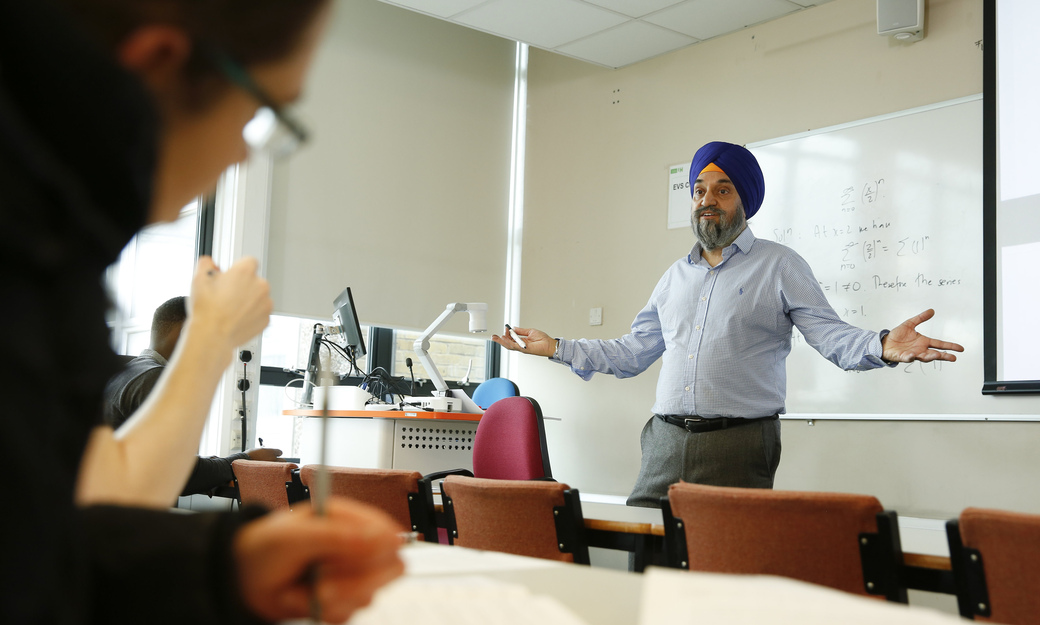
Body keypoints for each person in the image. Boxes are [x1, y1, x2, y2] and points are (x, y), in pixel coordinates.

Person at [1, 1, 403, 624]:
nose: (242, 156)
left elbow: (44, 539)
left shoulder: (50, 249)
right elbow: (111, 498)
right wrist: (213, 333)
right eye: (261, 109)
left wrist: (223, 567)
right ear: (159, 67)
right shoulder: (22, 258)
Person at [493, 141, 964, 509]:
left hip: (739, 444)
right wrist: (557, 346)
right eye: (699, 190)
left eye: (722, 189)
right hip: (664, 441)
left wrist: (881, 344)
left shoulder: (780, 265)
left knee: (726, 574)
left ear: (744, 200)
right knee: (644, 568)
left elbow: (830, 334)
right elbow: (632, 352)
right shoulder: (674, 276)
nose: (707, 200)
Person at [104, 296, 283, 498]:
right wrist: (245, 460)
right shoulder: (157, 381)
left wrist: (209, 468)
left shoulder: (128, 373)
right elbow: (178, 477)